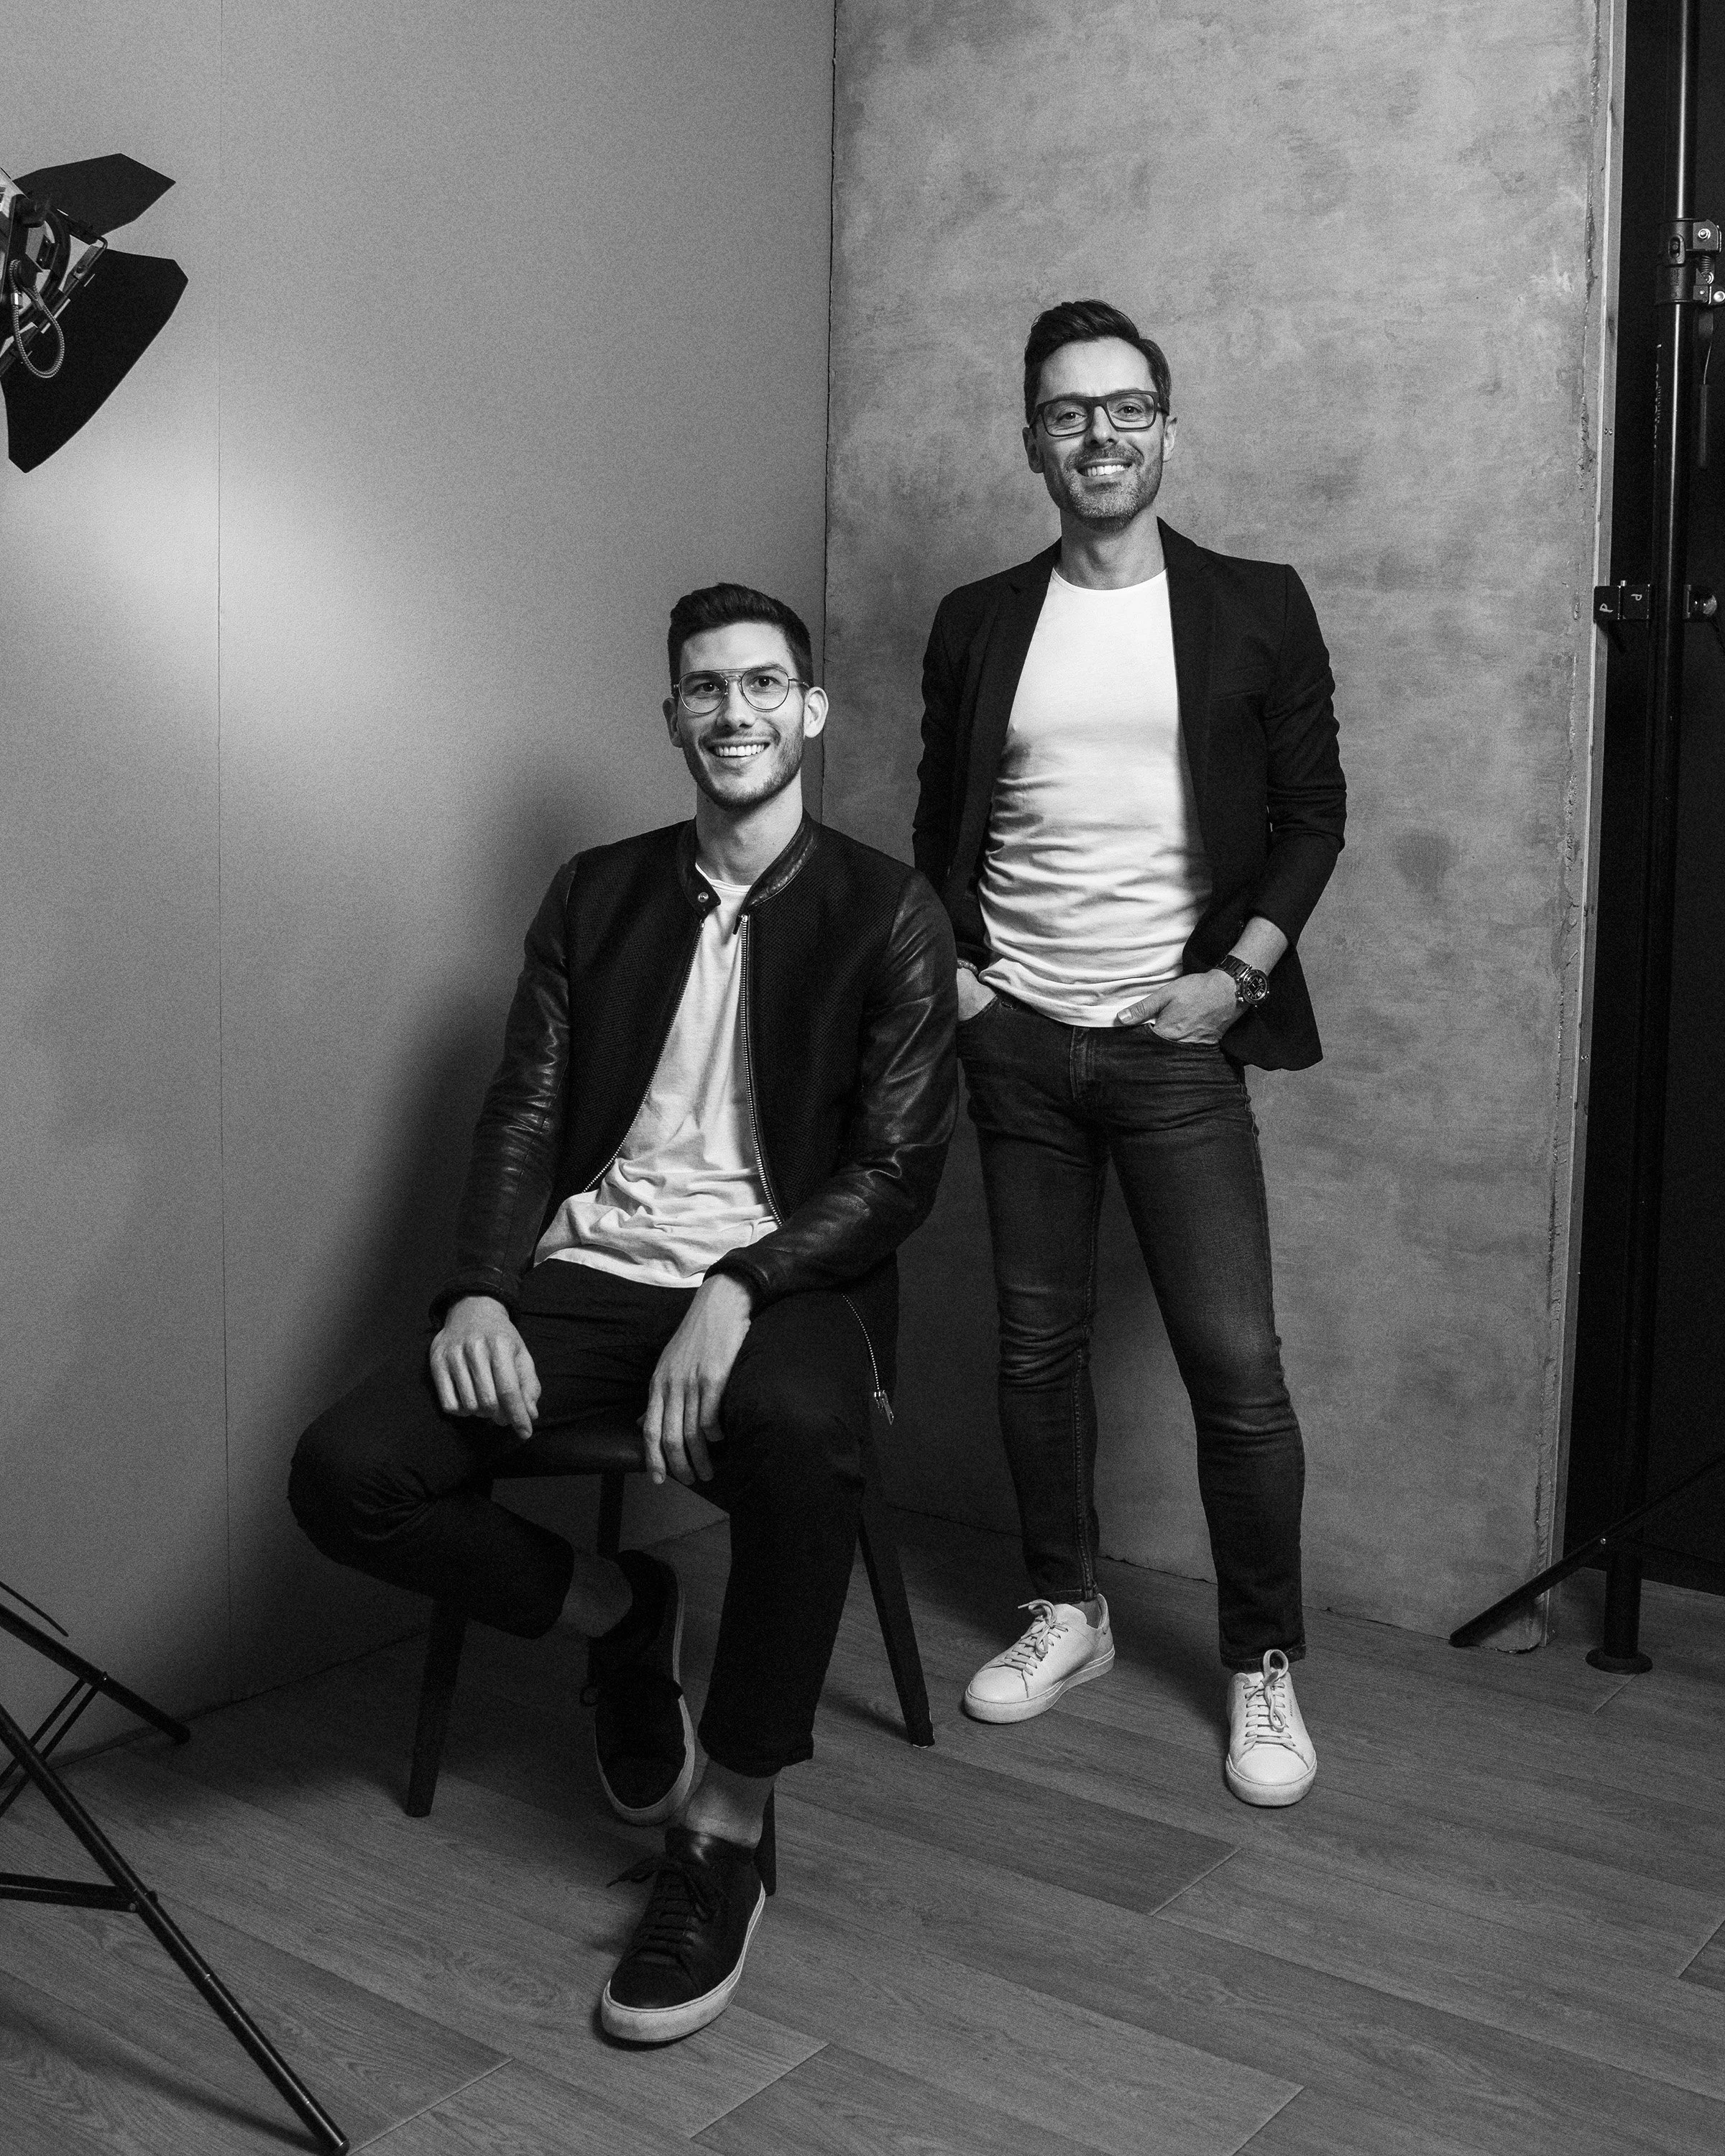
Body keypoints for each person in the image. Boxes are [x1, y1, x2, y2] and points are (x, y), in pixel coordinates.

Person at [290, 582, 955, 2039]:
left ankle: (722, 1833)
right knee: (348, 1473)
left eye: (765, 685)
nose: (736, 713)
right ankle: (617, 1613)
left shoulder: (887, 910)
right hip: (591, 1275)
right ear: (671, 718)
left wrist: (744, 1282)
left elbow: (898, 1167)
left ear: (812, 710)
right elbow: (523, 1109)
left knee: (796, 1434)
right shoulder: (598, 894)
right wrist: (478, 1284)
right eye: (707, 690)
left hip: (790, 1279)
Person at [912, 299, 1345, 1806]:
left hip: (1176, 1048)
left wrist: (1236, 976)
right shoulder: (978, 621)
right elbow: (933, 838)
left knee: (1238, 1371)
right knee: (1035, 1352)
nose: (1098, 435)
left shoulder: (1256, 605)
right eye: (1067, 412)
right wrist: (964, 987)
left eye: (1125, 408)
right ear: (1031, 439)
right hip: (1016, 1045)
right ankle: (1066, 1612)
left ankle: (1260, 1663)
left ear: (1166, 427)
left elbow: (1312, 819)